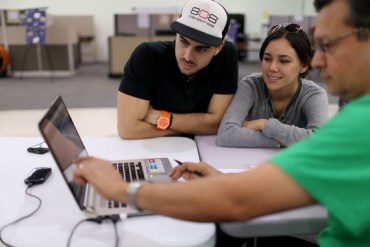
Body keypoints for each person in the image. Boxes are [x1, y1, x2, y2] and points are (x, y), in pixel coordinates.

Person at [73, 0, 370, 246]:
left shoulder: (359, 124)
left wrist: (122, 191)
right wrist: (224, 176)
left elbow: (238, 201)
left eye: (328, 45)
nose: (317, 62)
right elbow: (226, 137)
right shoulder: (352, 115)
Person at [117, 0, 238, 139]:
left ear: (218, 48)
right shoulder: (147, 56)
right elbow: (128, 129)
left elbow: (218, 124)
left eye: (201, 48)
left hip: (205, 151)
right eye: (183, 41)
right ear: (176, 34)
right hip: (153, 148)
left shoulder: (227, 55)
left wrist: (164, 118)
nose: (187, 56)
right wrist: (199, 126)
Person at [216, 24, 329, 148]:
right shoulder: (250, 85)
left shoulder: (313, 94)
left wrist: (264, 124)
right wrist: (284, 141)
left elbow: (321, 141)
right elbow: (225, 135)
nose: (272, 68)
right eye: (267, 58)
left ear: (303, 66)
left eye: (284, 61)